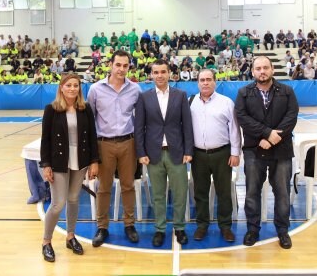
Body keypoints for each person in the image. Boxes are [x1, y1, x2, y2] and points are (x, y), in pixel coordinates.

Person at [235, 56, 299, 249]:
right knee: (252, 192)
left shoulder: (287, 91)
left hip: (282, 150)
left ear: (272, 70)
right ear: (252, 72)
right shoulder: (244, 93)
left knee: (282, 193)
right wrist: (266, 134)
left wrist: (273, 137)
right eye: (258, 68)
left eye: (265, 68)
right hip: (254, 150)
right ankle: (252, 230)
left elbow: (292, 115)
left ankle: (282, 231)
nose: (262, 71)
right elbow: (242, 117)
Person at [39, 73, 99, 262]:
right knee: (58, 204)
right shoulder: (52, 109)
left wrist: (94, 161)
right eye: (69, 85)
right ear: (61, 87)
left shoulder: (85, 108)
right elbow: (45, 139)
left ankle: (70, 236)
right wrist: (46, 164)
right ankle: (46, 241)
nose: (73, 88)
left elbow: (92, 137)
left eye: (76, 85)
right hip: (59, 161)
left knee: (74, 199)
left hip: (80, 160)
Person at [135, 59, 194, 247]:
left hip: (177, 152)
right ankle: (160, 229)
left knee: (180, 192)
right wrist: (141, 152)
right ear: (151, 75)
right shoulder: (144, 98)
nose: (159, 75)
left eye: (163, 72)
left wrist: (188, 150)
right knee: (158, 194)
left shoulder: (180, 95)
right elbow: (139, 128)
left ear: (170, 74)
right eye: (156, 72)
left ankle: (179, 227)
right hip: (153, 154)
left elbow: (187, 126)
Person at [87, 50, 141, 247]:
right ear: (110, 64)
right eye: (118, 65)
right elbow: (89, 121)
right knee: (104, 188)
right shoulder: (95, 89)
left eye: (125, 66)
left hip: (128, 143)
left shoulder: (135, 90)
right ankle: (102, 227)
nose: (121, 69)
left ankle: (129, 224)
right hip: (104, 144)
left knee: (128, 185)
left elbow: (140, 118)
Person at [189, 69, 241, 242]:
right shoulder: (190, 102)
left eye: (208, 79)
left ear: (215, 82)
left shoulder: (226, 102)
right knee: (200, 192)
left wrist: (235, 152)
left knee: (224, 192)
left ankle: (225, 226)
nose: (205, 83)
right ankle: (202, 225)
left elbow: (234, 129)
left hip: (222, 153)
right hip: (198, 155)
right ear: (197, 83)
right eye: (202, 80)